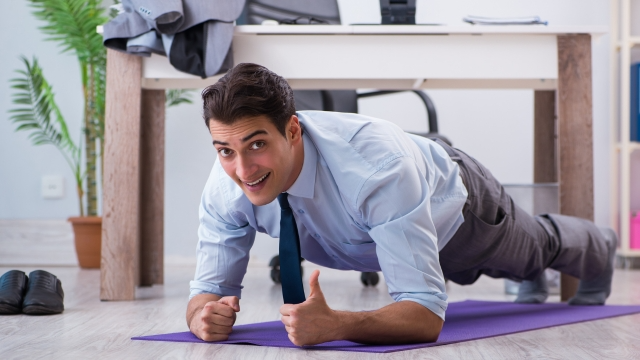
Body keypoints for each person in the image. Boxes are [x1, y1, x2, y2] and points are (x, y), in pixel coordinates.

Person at [185, 63, 617, 346]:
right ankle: (529, 282)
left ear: (293, 130)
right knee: (521, 271)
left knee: (533, 251)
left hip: (459, 213)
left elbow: (426, 314)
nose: (242, 168)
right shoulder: (226, 188)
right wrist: (201, 318)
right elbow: (205, 292)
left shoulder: (376, 170)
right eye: (224, 150)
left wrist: (338, 324)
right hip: (389, 215)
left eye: (256, 144)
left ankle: (600, 245)